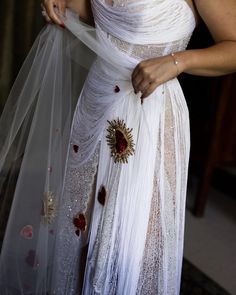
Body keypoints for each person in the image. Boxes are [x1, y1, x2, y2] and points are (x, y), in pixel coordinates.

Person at [0, 0, 236, 294]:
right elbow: (104, 16)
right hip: (95, 104)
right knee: (78, 230)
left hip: (147, 116)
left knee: (131, 247)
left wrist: (179, 61)